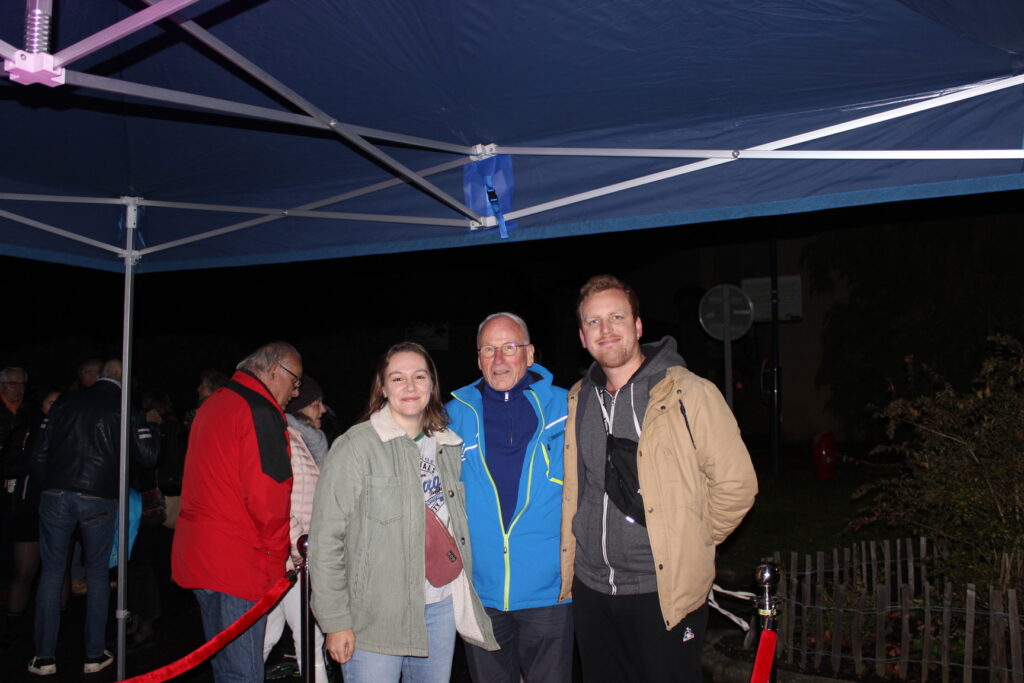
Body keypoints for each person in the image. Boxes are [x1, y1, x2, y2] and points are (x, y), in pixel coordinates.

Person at [559, 275, 758, 682]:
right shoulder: (580, 397)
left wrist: (693, 540)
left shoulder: (688, 393)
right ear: (582, 337)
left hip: (661, 591)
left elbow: (736, 485)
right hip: (592, 589)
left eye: (616, 317)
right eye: (594, 322)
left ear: (637, 326)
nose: (605, 329)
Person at [309, 342, 498, 683]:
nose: (410, 386)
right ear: (383, 387)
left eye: (419, 376)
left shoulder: (448, 445)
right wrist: (335, 621)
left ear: (432, 385)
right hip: (375, 616)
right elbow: (326, 541)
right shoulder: (356, 447)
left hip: (439, 607)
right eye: (397, 378)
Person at [446, 313, 572, 682]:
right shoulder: (453, 417)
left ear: (530, 354)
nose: (498, 359)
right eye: (488, 350)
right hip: (481, 592)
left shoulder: (567, 407)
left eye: (509, 347)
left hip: (549, 591)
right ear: (478, 359)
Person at [171, 342, 301, 683]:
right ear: (276, 371)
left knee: (226, 665)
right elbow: (269, 496)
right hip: (236, 563)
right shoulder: (260, 410)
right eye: (295, 381)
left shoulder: (215, 402)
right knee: (242, 673)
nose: (295, 392)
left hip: (201, 556)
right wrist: (276, 563)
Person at [28, 360, 160, 676]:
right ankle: (93, 654)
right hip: (100, 497)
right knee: (98, 573)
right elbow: (148, 457)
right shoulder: (126, 407)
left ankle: (44, 658)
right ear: (126, 381)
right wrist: (153, 427)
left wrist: (55, 485)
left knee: (51, 572)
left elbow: (37, 456)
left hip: (56, 495)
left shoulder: (64, 402)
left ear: (100, 376)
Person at [262, 375, 329, 683]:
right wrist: (296, 546)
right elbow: (278, 499)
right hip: (291, 559)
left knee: (268, 634)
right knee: (308, 637)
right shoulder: (286, 439)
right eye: (316, 404)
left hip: (292, 559)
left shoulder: (304, 440)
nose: (323, 410)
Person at [0, 386, 59, 651]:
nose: (55, 407)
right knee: (24, 571)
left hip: (60, 508)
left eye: (59, 402)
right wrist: (36, 457)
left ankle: (54, 629)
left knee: (58, 570)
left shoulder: (70, 430)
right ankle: (11, 630)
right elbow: (8, 465)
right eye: (50, 402)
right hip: (29, 508)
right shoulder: (27, 431)